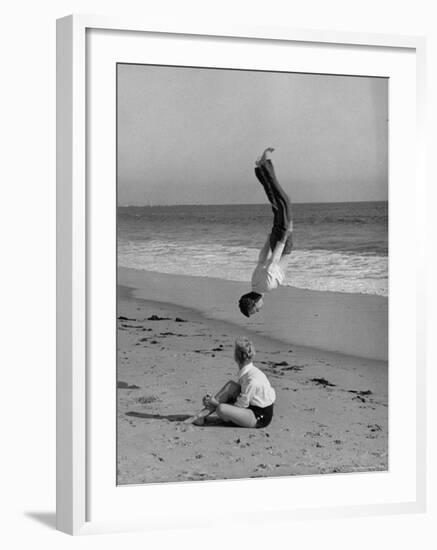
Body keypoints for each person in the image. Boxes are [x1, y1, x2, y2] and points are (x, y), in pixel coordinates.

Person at [238, 148, 293, 317]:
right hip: (274, 241)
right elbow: (262, 259)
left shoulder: (266, 287)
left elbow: (272, 262)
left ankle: (265, 164)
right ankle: (260, 170)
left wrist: (284, 237)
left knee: (284, 201)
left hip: (283, 245)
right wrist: (269, 239)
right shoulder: (254, 283)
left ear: (254, 302)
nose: (260, 309)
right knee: (277, 204)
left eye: (256, 309)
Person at [186, 337, 276, 428]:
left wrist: (215, 403)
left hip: (259, 415)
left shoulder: (251, 381)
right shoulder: (248, 372)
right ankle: (200, 416)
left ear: (236, 357)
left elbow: (241, 406)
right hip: (250, 405)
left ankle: (211, 408)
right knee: (231, 386)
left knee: (221, 409)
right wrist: (212, 402)